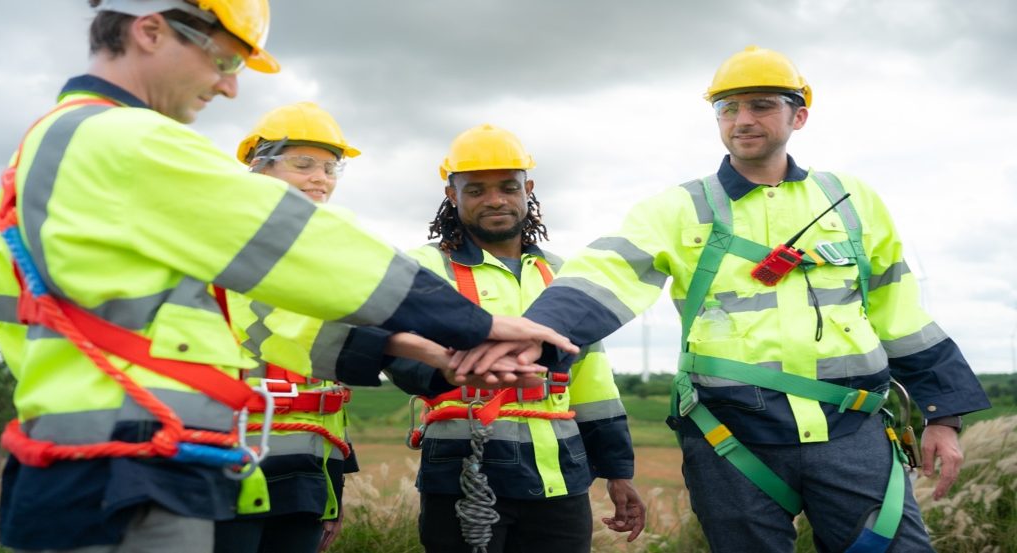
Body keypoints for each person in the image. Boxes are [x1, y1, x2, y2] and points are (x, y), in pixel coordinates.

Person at [0, 2, 576, 551]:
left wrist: (425, 351)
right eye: (224, 60)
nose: (229, 85)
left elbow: (263, 323)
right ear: (150, 32)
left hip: (105, 456)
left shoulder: (54, 147)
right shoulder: (126, 140)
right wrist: (474, 324)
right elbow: (304, 249)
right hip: (126, 465)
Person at [457, 46, 991, 552]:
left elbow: (901, 311)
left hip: (852, 430)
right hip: (731, 437)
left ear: (798, 117)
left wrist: (945, 415)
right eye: (728, 108)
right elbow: (605, 277)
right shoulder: (677, 208)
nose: (743, 120)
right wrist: (524, 342)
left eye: (761, 106)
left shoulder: (850, 201)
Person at [341, 124, 645, 553]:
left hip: (559, 476)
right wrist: (453, 371)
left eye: (508, 187)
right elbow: (393, 350)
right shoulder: (422, 266)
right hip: (462, 474)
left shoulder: (565, 273)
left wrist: (618, 471)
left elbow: (593, 377)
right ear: (452, 194)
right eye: (476, 190)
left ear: (528, 188)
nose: (496, 200)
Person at [211, 102, 363, 553]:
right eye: (303, 164)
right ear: (259, 166)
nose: (321, 179)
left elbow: (329, 389)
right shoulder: (215, 240)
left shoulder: (332, 256)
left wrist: (333, 491)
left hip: (305, 473)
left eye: (330, 168)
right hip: (223, 462)